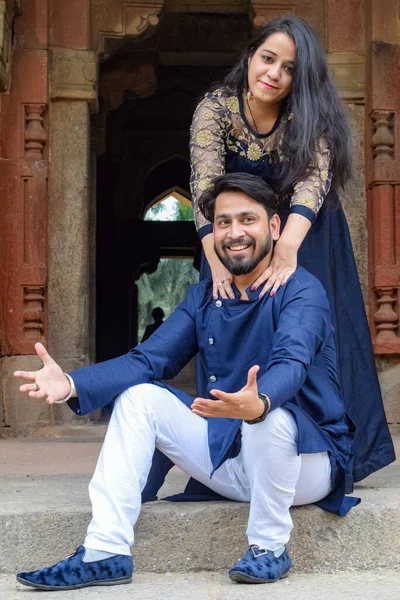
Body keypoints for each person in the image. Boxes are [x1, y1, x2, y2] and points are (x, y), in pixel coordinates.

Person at [14, 174, 358, 591]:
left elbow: (292, 360)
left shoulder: (301, 290)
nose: (235, 233)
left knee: (270, 421)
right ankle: (106, 550)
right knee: (139, 397)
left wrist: (261, 401)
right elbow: (148, 359)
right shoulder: (204, 298)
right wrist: (70, 383)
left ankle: (269, 547)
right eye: (224, 222)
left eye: (247, 220)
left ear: (274, 228)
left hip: (305, 464)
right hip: (232, 460)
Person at [189, 15, 395, 489]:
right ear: (250, 57)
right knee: (228, 318)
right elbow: (203, 185)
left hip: (306, 230)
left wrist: (287, 249)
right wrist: (216, 258)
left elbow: (313, 181)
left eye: (289, 68)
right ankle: (234, 452)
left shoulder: (310, 113)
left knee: (315, 329)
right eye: (268, 59)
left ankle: (334, 453)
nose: (275, 73)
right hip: (234, 231)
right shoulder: (215, 108)